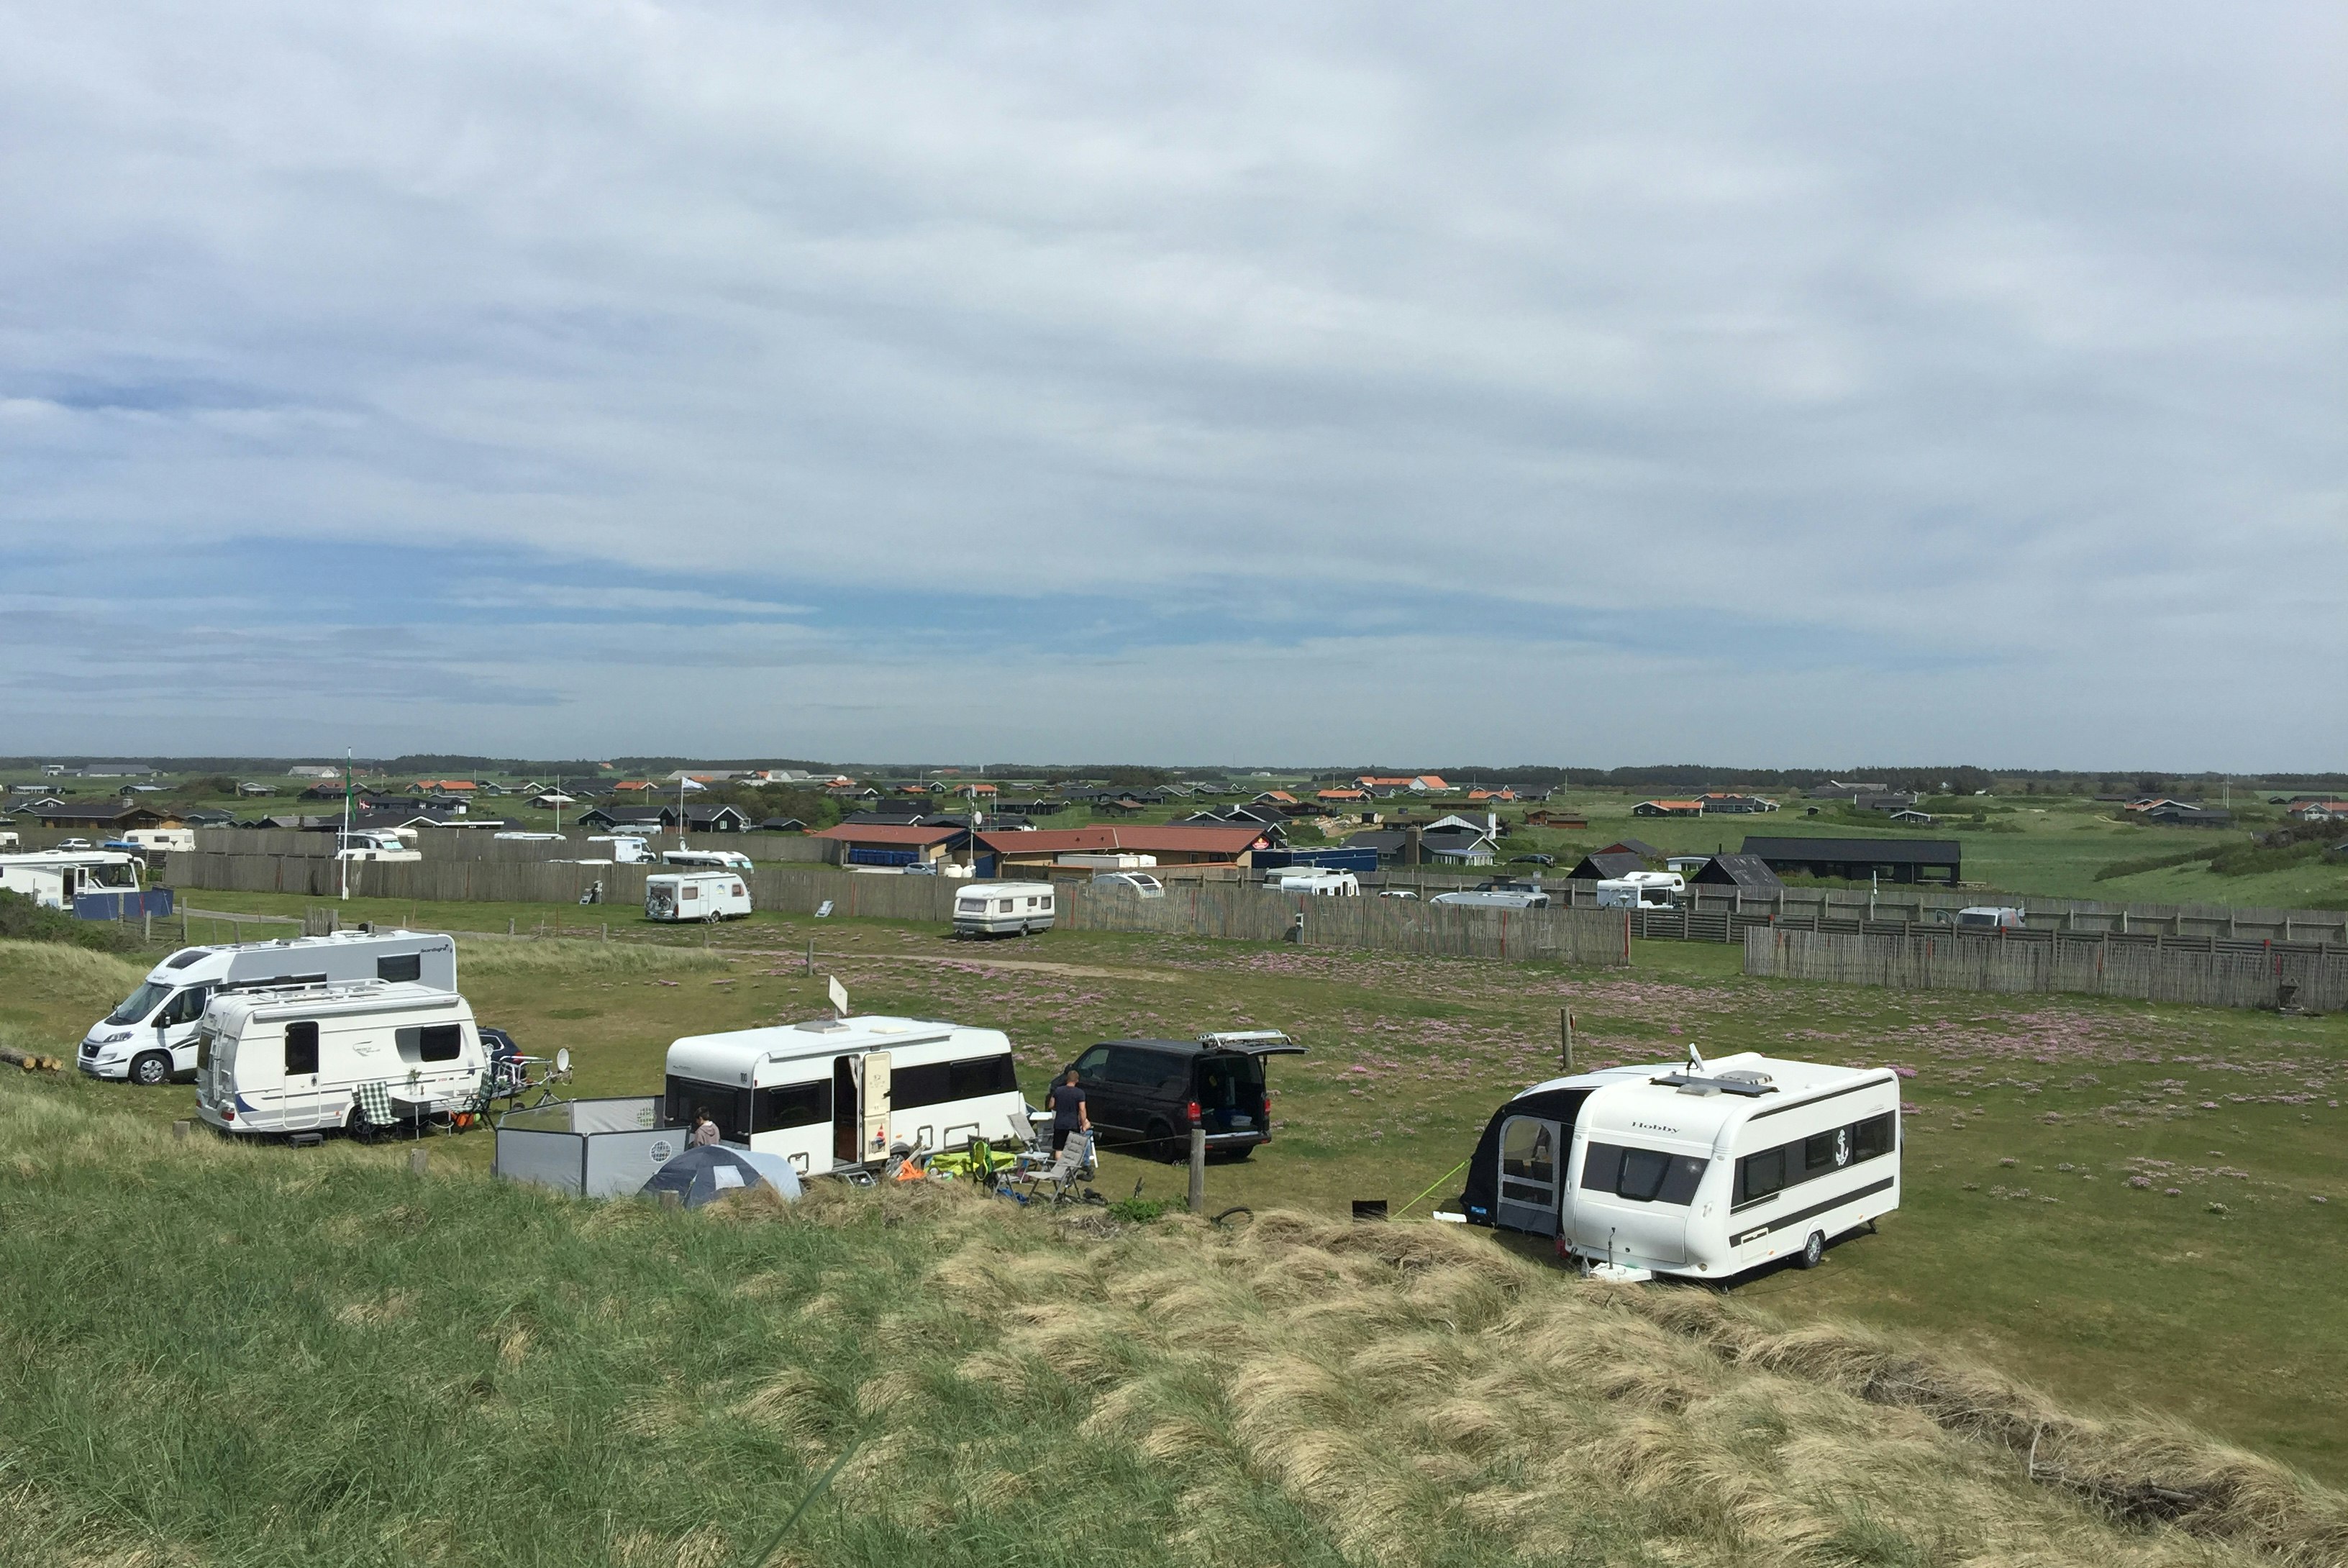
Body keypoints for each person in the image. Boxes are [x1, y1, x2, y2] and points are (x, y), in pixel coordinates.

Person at [1045, 1067, 1089, 1154]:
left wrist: (1059, 1108)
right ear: (1077, 1080)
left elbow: (1051, 1105)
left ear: (1067, 1079)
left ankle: (1058, 1162)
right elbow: (1082, 1109)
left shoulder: (1058, 1090)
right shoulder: (1080, 1093)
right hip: (1073, 1125)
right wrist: (1084, 1124)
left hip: (1059, 1124)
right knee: (1072, 1150)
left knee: (1059, 1149)